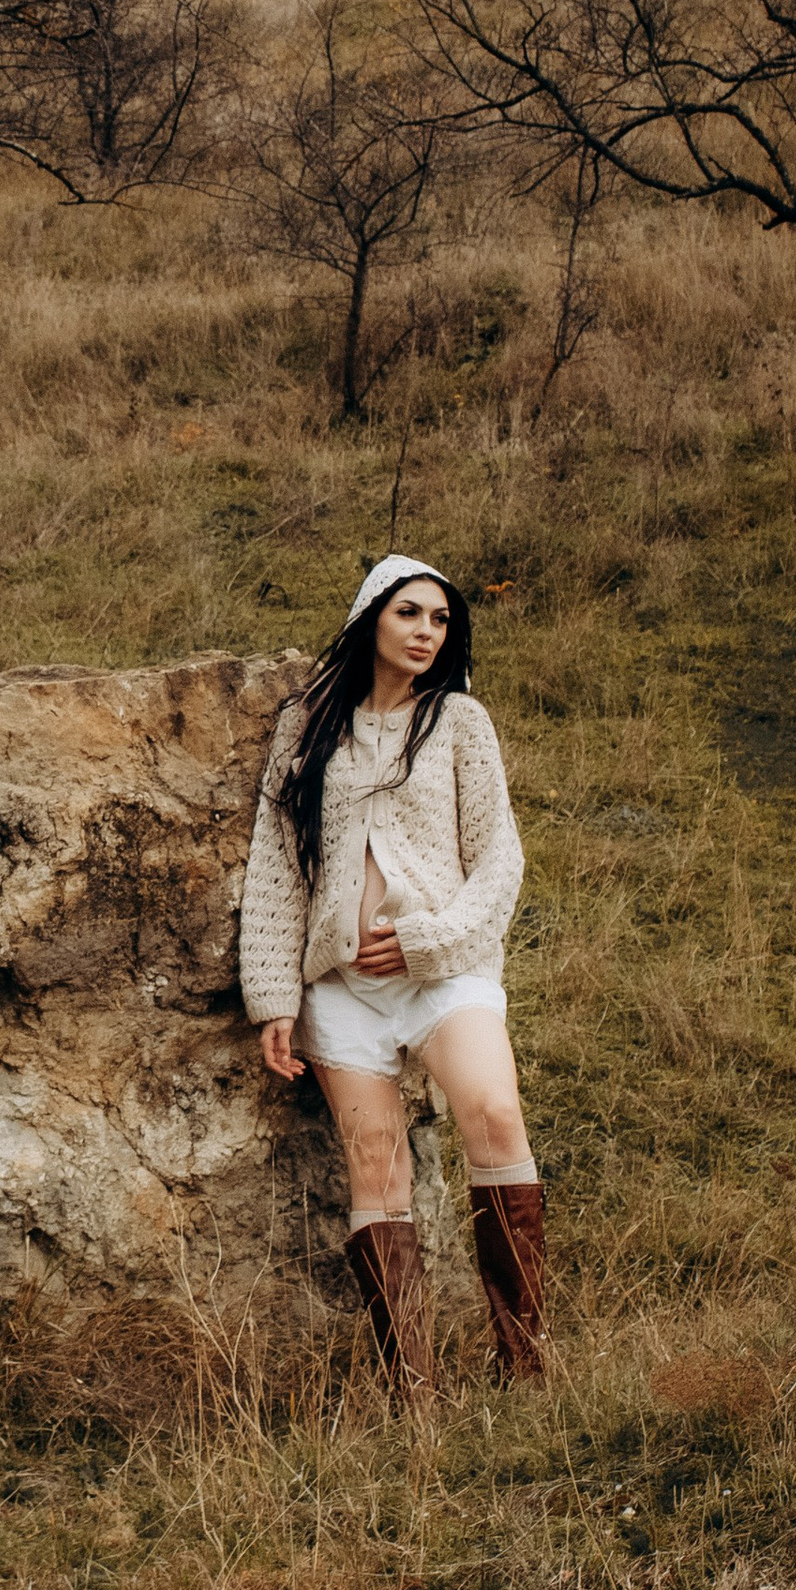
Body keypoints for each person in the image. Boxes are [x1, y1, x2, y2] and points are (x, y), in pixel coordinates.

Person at [238, 552, 543, 1404]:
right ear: (371, 616)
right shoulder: (306, 726)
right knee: (376, 1165)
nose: (426, 632)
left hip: (445, 971)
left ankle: (525, 1366)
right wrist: (273, 996)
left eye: (440, 620)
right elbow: (276, 864)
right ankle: (415, 1393)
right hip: (341, 987)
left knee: (493, 1111)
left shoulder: (460, 722)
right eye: (410, 613)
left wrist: (429, 940)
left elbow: (500, 863)